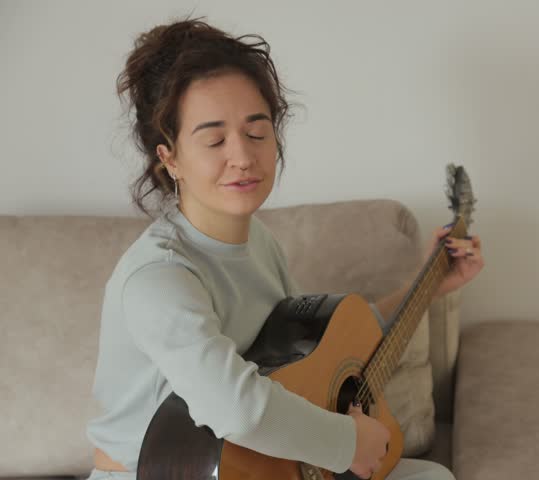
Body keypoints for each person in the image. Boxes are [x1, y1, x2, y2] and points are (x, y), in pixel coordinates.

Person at [84, 17, 484, 480]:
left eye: (257, 132)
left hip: (256, 463)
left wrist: (430, 283)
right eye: (214, 139)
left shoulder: (258, 242)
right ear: (169, 156)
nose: (243, 156)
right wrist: (347, 442)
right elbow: (233, 406)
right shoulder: (158, 276)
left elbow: (317, 357)